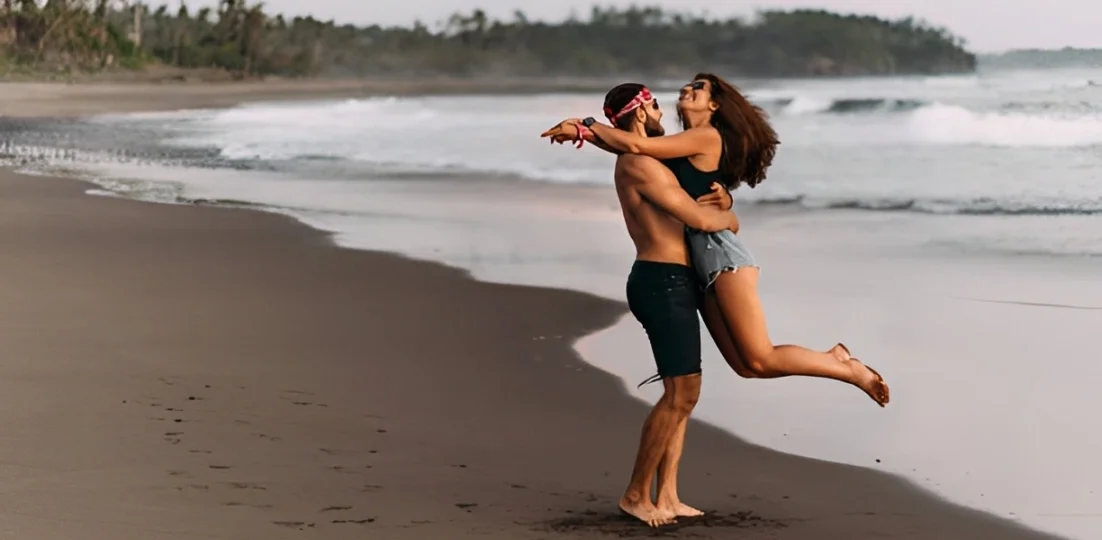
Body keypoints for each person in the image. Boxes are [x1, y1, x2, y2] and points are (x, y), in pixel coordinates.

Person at [540, 75, 890, 407]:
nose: (687, 89)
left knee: (760, 356)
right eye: (688, 85)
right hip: (701, 257)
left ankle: (845, 367)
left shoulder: (706, 136)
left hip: (722, 255)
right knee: (747, 367)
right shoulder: (677, 145)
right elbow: (635, 156)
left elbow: (634, 144)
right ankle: (836, 362)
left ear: (715, 106)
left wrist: (584, 123)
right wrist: (584, 133)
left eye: (699, 87)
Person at [556, 82, 738, 527]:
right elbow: (696, 216)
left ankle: (668, 494)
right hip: (662, 282)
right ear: (640, 112)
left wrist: (585, 131)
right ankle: (637, 493)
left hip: (676, 280)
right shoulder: (640, 163)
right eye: (655, 104)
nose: (663, 111)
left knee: (685, 394)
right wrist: (730, 217)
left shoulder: (646, 155)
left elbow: (645, 148)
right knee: (679, 395)